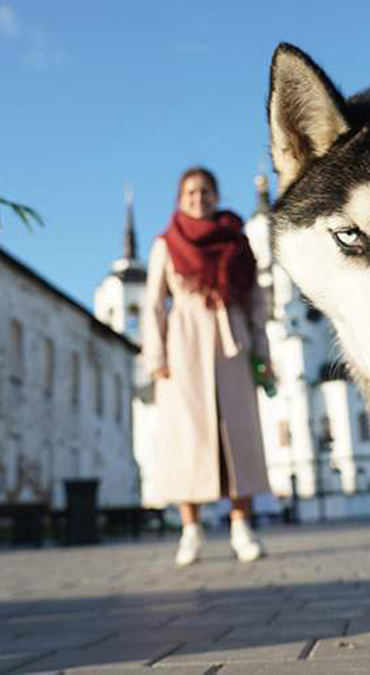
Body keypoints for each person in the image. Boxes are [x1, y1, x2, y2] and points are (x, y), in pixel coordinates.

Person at [141, 167, 274, 567]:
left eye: (205, 192)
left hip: (232, 340)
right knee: (187, 438)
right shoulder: (167, 243)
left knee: (238, 434)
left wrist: (263, 353)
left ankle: (241, 527)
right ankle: (191, 532)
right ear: (180, 199)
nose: (198, 199)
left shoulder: (237, 240)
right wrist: (157, 357)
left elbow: (255, 301)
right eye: (190, 193)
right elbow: (153, 304)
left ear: (216, 196)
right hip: (184, 345)